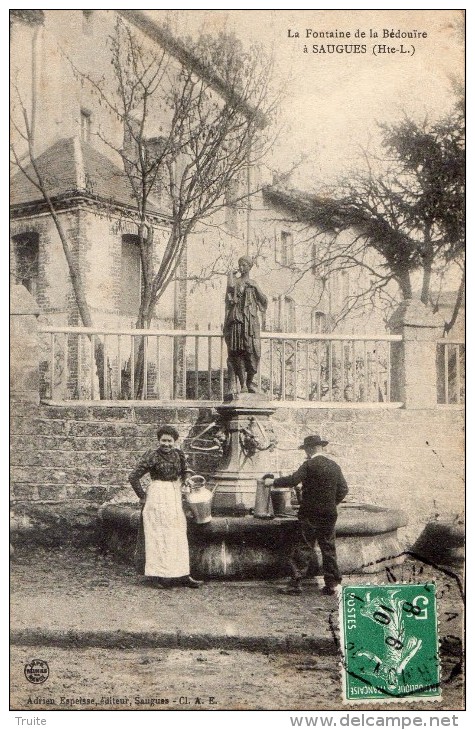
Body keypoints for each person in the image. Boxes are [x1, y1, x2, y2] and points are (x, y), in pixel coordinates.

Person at [264, 434, 348, 596]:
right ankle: (332, 584)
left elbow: (294, 480)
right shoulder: (334, 466)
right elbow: (343, 489)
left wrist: (273, 482)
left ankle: (295, 584)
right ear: (321, 447)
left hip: (310, 513)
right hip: (329, 513)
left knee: (304, 546)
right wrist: (331, 503)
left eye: (306, 450)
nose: (306, 453)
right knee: (328, 547)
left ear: (310, 449)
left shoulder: (309, 465)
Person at [128, 425, 203, 588]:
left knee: (177, 534)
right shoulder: (152, 456)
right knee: (159, 536)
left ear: (175, 442)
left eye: (170, 441)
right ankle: (159, 576)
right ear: (159, 440)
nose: (166, 444)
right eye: (164, 440)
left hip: (174, 495)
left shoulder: (179, 454)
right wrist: (142, 496)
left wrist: (186, 480)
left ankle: (182, 574)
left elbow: (185, 470)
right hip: (158, 496)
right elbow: (133, 477)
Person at [224, 255, 268, 394]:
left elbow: (264, 302)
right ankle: (243, 384)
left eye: (244, 265)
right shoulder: (235, 282)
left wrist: (256, 287)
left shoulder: (253, 283)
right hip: (238, 321)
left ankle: (250, 381)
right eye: (240, 265)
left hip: (251, 322)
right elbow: (229, 297)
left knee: (255, 352)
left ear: (249, 267)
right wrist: (230, 276)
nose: (241, 268)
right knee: (238, 352)